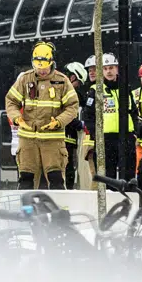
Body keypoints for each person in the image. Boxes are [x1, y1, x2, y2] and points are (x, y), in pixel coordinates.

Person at [5, 41, 79, 190]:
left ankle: (57, 205)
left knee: (56, 180)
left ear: (51, 62)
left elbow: (72, 106)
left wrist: (59, 121)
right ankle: (27, 205)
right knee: (26, 180)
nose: (42, 71)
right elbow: (11, 101)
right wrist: (16, 118)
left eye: (44, 67)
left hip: (53, 141)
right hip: (28, 141)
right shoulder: (25, 79)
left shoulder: (62, 81)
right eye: (38, 67)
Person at [83, 53, 136, 183]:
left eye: (111, 68)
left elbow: (133, 111)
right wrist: (96, 134)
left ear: (117, 68)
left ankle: (128, 194)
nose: (108, 71)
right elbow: (88, 116)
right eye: (105, 68)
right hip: (106, 139)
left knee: (128, 175)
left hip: (126, 136)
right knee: (108, 177)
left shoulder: (125, 87)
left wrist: (135, 130)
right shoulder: (96, 90)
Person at [62, 61, 89, 189]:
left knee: (69, 166)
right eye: (78, 82)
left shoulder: (75, 94)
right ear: (73, 77)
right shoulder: (63, 92)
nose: (78, 85)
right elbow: (65, 115)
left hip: (70, 136)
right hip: (63, 136)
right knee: (66, 166)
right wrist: (80, 124)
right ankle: (67, 189)